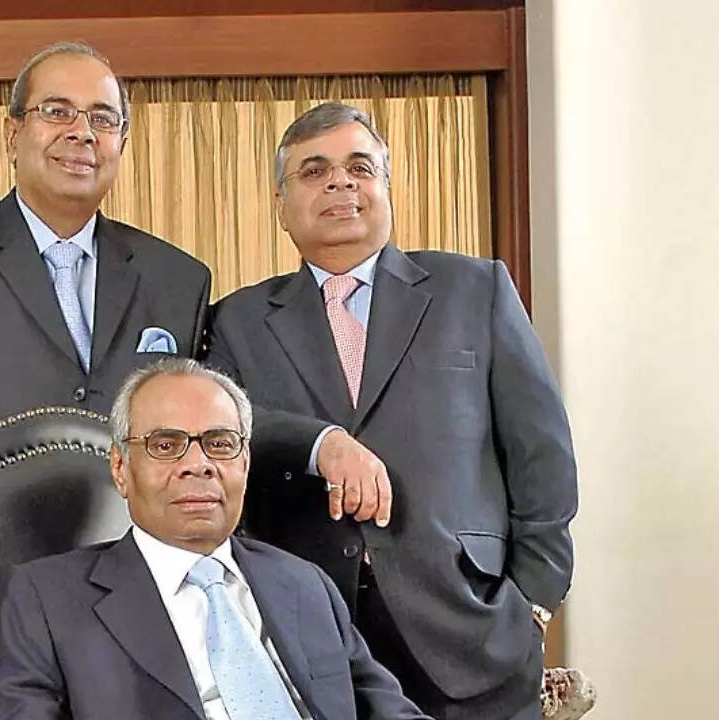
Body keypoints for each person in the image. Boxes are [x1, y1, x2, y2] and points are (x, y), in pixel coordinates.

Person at [206, 101, 578, 719]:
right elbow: (224, 428)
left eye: (359, 167)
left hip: (473, 633)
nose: (340, 183)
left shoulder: (474, 290)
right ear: (281, 204)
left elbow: (543, 456)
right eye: (314, 171)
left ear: (385, 187)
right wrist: (320, 442)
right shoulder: (238, 319)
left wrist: (533, 606)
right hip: (310, 641)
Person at [0, 358, 428, 720]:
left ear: (245, 464)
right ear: (120, 468)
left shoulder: (304, 583)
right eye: (165, 445)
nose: (198, 464)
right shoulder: (42, 601)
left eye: (220, 443)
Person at [0, 42, 210, 437]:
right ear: (12, 135)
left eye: (102, 119)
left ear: (121, 145)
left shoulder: (178, 280)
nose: (82, 133)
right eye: (57, 112)